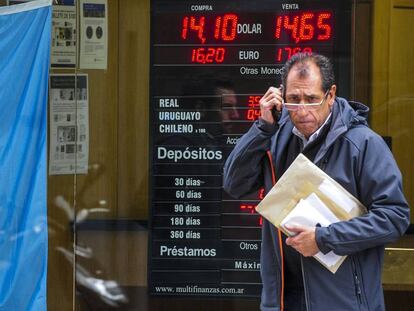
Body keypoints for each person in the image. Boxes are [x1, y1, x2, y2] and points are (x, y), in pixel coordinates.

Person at [223, 52, 410, 311]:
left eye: (311, 100)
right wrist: (262, 128)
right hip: (282, 299)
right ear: (281, 96)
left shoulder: (363, 144)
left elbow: (395, 217)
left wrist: (324, 238)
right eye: (293, 99)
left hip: (343, 302)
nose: (301, 111)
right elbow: (234, 184)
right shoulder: (275, 137)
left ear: (330, 95)